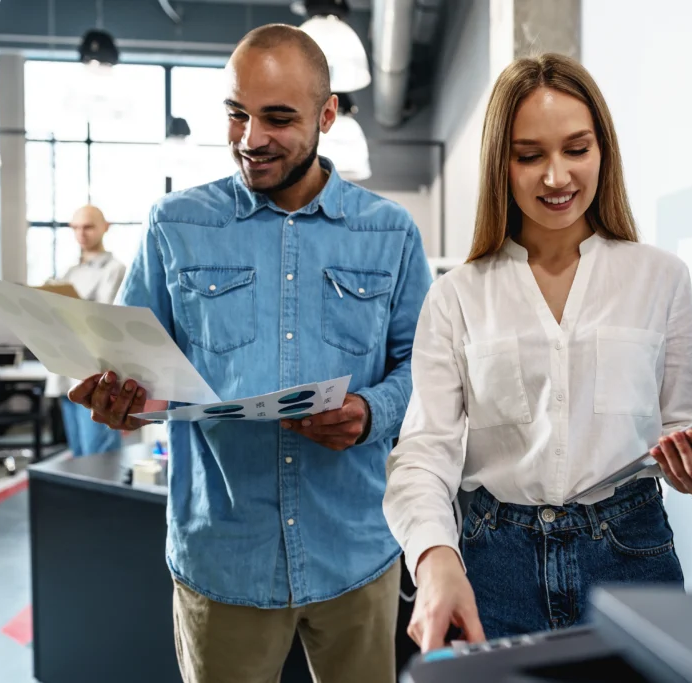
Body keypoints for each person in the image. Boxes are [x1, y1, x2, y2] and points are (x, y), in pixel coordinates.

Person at [66, 24, 432, 683]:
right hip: (223, 558)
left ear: (327, 115)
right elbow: (132, 366)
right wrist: (120, 401)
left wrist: (371, 411)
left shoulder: (391, 234)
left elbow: (425, 369)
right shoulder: (174, 224)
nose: (250, 138)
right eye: (237, 113)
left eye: (278, 118)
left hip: (355, 551)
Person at [383, 53, 692, 650]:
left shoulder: (662, 278)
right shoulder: (455, 296)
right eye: (530, 156)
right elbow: (423, 454)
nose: (556, 177)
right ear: (502, 163)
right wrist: (434, 558)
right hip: (491, 565)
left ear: (603, 151)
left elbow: (683, 427)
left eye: (576, 149)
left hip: (631, 557)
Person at [46, 204, 126, 457]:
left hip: (93, 370)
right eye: (76, 227)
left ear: (105, 228)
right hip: (65, 365)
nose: (82, 233)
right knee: (78, 454)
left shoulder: (115, 269)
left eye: (88, 226)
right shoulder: (70, 271)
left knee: (100, 454)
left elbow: (102, 319)